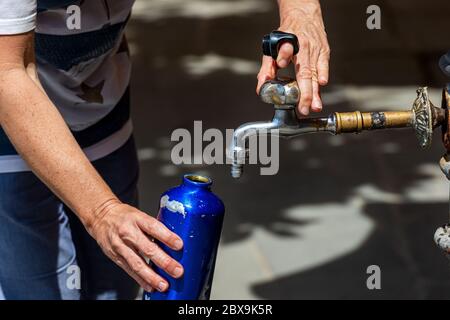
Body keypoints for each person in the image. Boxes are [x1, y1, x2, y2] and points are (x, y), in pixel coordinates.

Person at [0, 0, 330, 299]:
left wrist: (301, 11)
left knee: (114, 287)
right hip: (12, 127)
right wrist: (101, 211)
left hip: (100, 110)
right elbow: (8, 74)